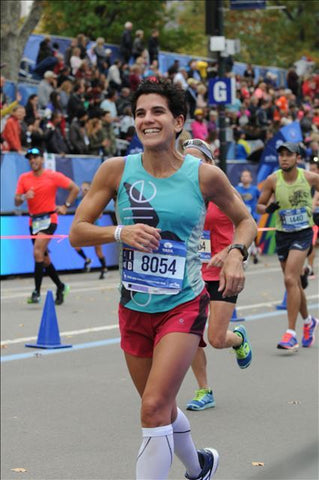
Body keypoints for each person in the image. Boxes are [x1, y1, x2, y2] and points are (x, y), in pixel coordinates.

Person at [69, 78, 256, 480]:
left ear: (178, 121)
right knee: (163, 408)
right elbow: (78, 230)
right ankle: (201, 465)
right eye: (140, 113)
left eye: (157, 112)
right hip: (134, 307)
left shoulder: (204, 176)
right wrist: (120, 232)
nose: (147, 120)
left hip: (183, 305)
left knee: (153, 406)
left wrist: (236, 254)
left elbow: (246, 221)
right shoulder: (116, 171)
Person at [182, 139, 253, 412]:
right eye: (186, 160)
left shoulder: (223, 189)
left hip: (224, 272)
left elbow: (248, 224)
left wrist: (230, 252)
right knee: (189, 335)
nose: (192, 166)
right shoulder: (182, 192)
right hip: (191, 273)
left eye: (197, 160)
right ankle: (204, 390)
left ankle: (238, 338)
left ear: (209, 164)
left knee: (217, 338)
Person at [257, 142, 319, 351]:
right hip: (282, 233)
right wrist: (268, 208)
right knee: (294, 284)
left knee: (290, 278)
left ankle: (291, 333)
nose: (284, 158)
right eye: (281, 155)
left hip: (303, 233)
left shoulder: (309, 178)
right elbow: (260, 204)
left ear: (297, 157)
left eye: (288, 155)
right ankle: (309, 321)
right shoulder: (273, 180)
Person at [14, 147, 79, 304]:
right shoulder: (24, 178)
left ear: (42, 159)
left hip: (49, 220)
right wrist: (23, 197)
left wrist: (65, 205)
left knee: (37, 252)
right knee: (44, 258)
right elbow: (16, 201)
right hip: (33, 221)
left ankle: (36, 292)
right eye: (30, 158)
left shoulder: (52, 176)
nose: (33, 160)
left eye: (35, 157)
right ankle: (61, 286)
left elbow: (74, 188)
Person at [73, 182, 109, 279]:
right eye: (82, 189)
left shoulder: (96, 200)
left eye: (85, 189)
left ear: (90, 189)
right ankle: (87, 260)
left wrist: (91, 212)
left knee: (98, 252)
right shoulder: (79, 201)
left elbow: (100, 215)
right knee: (76, 245)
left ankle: (104, 268)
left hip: (95, 228)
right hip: (84, 228)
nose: (83, 191)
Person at [236, 169, 260, 264]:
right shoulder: (237, 189)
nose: (244, 178)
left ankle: (252, 252)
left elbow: (261, 200)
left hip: (252, 217)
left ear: (251, 178)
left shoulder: (255, 189)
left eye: (246, 176)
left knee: (252, 236)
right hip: (240, 217)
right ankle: (252, 252)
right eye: (243, 176)